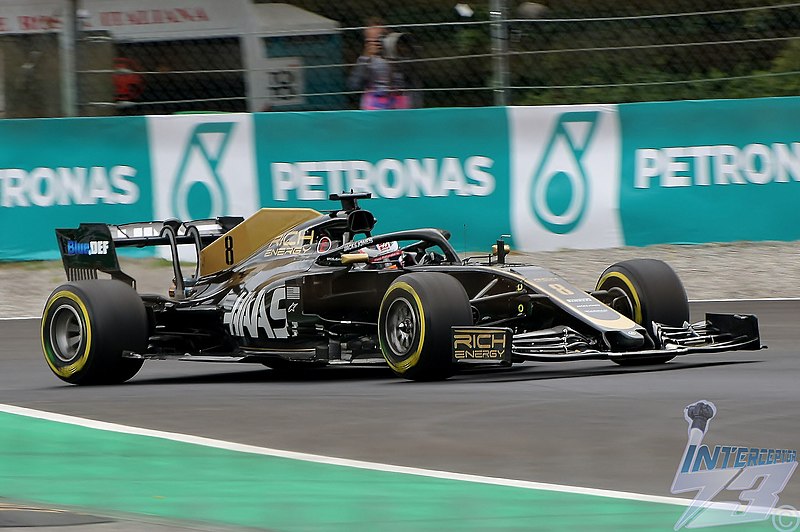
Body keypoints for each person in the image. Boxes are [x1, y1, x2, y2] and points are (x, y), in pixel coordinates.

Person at [347, 17, 422, 110]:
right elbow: (354, 85)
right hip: (375, 104)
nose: (378, 43)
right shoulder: (365, 59)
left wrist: (394, 54)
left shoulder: (399, 52)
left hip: (399, 103)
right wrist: (366, 57)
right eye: (371, 41)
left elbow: (411, 78)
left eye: (380, 38)